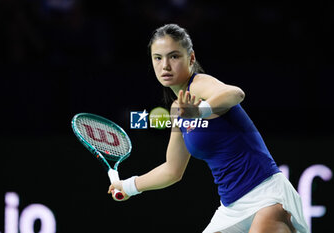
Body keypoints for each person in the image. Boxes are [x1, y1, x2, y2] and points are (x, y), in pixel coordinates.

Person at [108, 24, 309, 233]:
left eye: (174, 56)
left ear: (191, 59)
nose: (165, 65)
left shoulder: (199, 85)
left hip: (267, 195)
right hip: (231, 209)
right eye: (158, 58)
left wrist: (201, 110)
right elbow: (172, 170)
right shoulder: (178, 110)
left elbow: (236, 93)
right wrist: (129, 186)